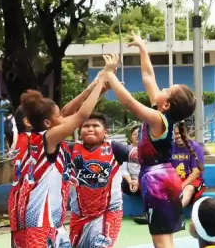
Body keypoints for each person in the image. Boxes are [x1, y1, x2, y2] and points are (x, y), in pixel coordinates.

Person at [102, 33, 197, 248]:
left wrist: (110, 75)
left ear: (167, 105)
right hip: (162, 178)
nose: (161, 89)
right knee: (165, 237)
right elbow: (148, 76)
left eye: (166, 90)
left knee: (161, 240)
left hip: (158, 182)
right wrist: (142, 47)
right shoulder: (161, 112)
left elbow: (128, 102)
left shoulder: (157, 119)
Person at [8, 66, 109, 248]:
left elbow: (65, 112)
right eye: (58, 118)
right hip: (40, 219)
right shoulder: (45, 140)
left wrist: (94, 90)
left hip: (30, 217)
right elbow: (80, 115)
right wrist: (100, 80)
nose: (63, 118)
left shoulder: (27, 140)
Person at [68, 112, 137, 248]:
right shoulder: (71, 149)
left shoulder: (114, 148)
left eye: (95, 125)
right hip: (79, 216)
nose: (90, 129)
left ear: (105, 132)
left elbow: (138, 155)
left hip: (108, 213)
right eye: (86, 126)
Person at [172, 121, 206, 208]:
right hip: (176, 179)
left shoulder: (196, 147)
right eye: (176, 133)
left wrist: (182, 186)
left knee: (188, 189)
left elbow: (196, 173)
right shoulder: (170, 147)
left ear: (187, 133)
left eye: (181, 133)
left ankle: (176, 213)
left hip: (193, 181)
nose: (178, 136)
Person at [121, 126, 141, 196]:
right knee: (124, 185)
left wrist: (139, 182)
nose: (137, 136)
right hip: (131, 179)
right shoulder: (126, 150)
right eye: (134, 134)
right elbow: (123, 170)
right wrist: (130, 182)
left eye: (139, 134)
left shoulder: (149, 150)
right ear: (131, 137)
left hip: (144, 179)